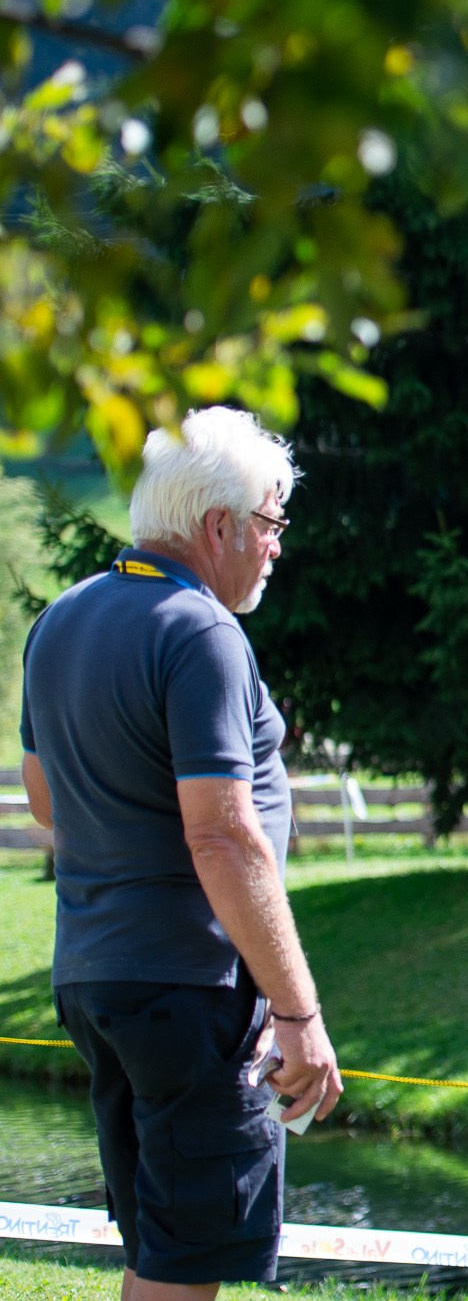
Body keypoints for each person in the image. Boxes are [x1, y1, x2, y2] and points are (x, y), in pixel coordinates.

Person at [21, 407, 341, 1300]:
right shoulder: (200, 629)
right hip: (189, 985)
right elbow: (223, 832)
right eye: (272, 522)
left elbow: (48, 799)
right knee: (190, 1260)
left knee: (162, 1248)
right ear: (219, 525)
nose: (277, 545)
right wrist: (298, 1011)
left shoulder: (61, 619)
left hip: (94, 975)